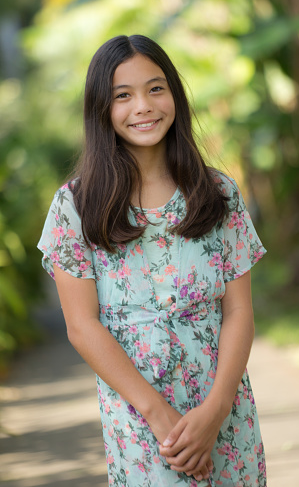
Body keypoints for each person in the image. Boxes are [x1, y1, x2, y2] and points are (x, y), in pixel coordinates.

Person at [37, 34, 267, 487]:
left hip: (224, 410)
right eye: (123, 95)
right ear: (102, 108)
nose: (142, 106)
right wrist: (161, 418)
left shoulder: (219, 194)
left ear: (175, 95)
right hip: (140, 423)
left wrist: (216, 411)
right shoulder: (76, 207)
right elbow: (82, 327)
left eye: (155, 88)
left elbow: (239, 309)